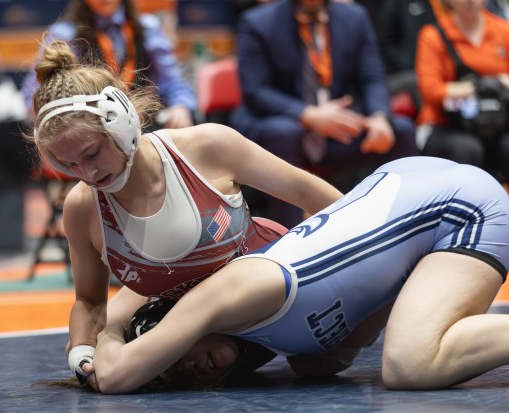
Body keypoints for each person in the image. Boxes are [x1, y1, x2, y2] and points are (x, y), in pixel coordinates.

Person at [81, 156, 509, 395]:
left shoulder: (231, 291)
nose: (189, 369)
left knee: (411, 365)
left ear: (176, 326)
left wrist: (105, 334)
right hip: (410, 186)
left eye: (170, 358)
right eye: (177, 379)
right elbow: (337, 342)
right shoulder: (290, 345)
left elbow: (116, 375)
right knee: (337, 360)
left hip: (461, 210)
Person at [25, 40, 345, 382]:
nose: (86, 174)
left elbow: (313, 194)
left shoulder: (206, 148)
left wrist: (367, 261)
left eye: (91, 154)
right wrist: (81, 352)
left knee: (318, 363)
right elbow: (89, 301)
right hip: (184, 302)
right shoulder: (82, 206)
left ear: (121, 122)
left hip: (274, 283)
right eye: (68, 163)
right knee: (120, 352)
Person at [229, 0, 419, 229]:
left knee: (401, 130)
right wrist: (308, 114)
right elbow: (255, 91)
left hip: (335, 127)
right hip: (279, 125)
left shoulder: (354, 17)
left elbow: (372, 78)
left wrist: (379, 116)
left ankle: (405, 226)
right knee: (285, 133)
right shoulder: (258, 22)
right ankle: (288, 238)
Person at [415, 0, 509, 251]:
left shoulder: (504, 31)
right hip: (446, 127)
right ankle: (471, 228)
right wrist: (487, 85)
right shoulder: (434, 35)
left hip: (496, 125)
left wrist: (462, 89)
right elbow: (432, 91)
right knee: (468, 149)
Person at [20, 0, 196, 129]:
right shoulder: (65, 36)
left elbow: (173, 83)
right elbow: (34, 96)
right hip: (90, 130)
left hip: (142, 126)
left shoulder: (148, 28)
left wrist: (181, 107)